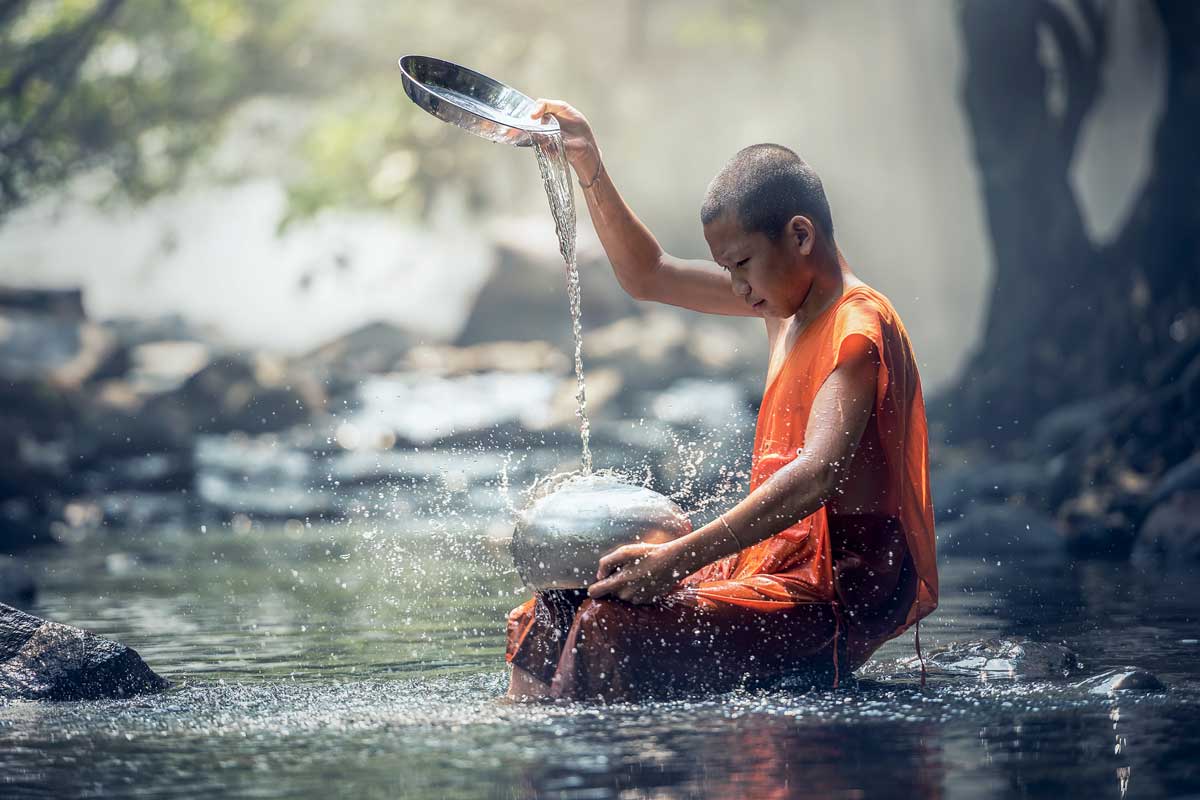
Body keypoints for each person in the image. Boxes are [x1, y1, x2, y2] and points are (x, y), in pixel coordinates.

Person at [506, 100, 938, 702]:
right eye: (725, 269)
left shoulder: (855, 326)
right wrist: (588, 165)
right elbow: (649, 274)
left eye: (741, 265)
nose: (737, 288)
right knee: (555, 605)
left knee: (605, 625)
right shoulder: (782, 301)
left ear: (800, 235)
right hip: (769, 567)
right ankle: (528, 750)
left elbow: (817, 475)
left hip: (832, 593)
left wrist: (677, 560)